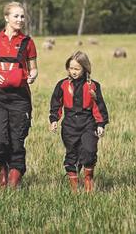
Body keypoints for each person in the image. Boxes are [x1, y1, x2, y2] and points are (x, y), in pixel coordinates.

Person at [0, 2, 38, 189]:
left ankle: (15, 175)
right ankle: (2, 167)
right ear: (6, 18)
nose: (20, 20)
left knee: (17, 138)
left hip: (20, 97)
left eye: (22, 16)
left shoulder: (28, 42)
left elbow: (34, 68)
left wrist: (32, 76)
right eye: (16, 16)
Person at [49, 51, 109, 193]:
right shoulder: (62, 85)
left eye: (77, 69)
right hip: (69, 124)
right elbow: (56, 104)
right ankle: (74, 189)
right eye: (71, 68)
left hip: (88, 123)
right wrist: (54, 120)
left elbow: (99, 106)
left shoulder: (93, 86)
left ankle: (88, 180)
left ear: (85, 69)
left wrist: (101, 124)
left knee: (89, 151)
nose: (73, 72)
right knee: (72, 154)